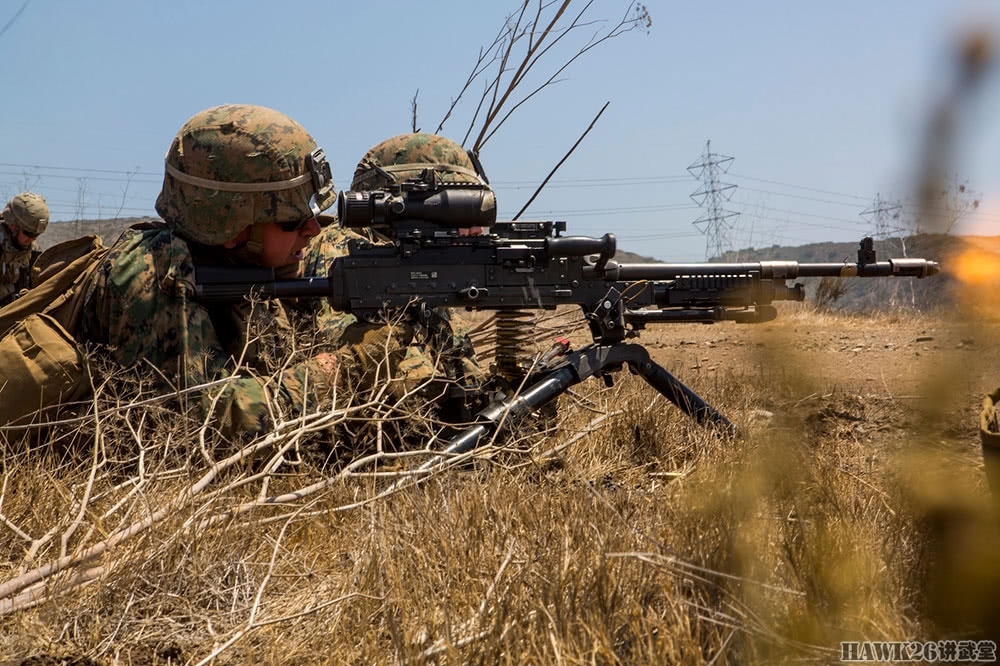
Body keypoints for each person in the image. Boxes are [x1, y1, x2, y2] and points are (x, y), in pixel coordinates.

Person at [76, 104, 375, 438]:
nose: (313, 230)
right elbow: (202, 424)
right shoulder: (156, 274)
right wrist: (343, 368)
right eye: (293, 221)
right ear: (228, 225)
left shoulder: (244, 265)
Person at [303, 132, 488, 421]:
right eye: (462, 204)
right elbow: (352, 344)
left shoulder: (419, 258)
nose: (475, 226)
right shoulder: (344, 246)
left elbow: (462, 372)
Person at [0, 192, 49, 306]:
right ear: (13, 226)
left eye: (36, 235)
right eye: (28, 233)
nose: (32, 239)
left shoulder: (32, 250)